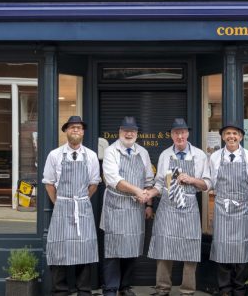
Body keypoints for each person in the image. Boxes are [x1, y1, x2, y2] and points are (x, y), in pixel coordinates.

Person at [146, 118, 210, 296]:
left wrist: (191, 179)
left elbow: (206, 184)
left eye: (182, 132)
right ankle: (162, 289)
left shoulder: (199, 155)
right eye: (176, 133)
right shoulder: (165, 155)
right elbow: (159, 183)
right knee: (164, 246)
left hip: (189, 206)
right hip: (167, 205)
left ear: (188, 134)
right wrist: (149, 195)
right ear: (171, 135)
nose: (180, 136)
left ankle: (187, 290)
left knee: (190, 249)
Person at [42, 116, 101, 296]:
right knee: (59, 248)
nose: (75, 130)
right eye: (72, 127)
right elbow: (49, 183)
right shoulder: (55, 155)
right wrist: (59, 202)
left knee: (84, 248)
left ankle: (84, 290)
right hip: (62, 205)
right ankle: (60, 290)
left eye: (79, 127)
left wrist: (81, 199)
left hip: (82, 206)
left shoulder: (90, 156)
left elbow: (94, 183)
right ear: (66, 131)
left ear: (83, 132)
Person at [209, 123, 248, 296]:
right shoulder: (215, 157)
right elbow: (212, 183)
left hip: (242, 208)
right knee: (222, 248)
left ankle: (240, 289)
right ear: (223, 137)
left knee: (242, 250)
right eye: (227, 133)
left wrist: (246, 205)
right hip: (221, 207)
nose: (231, 136)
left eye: (234, 133)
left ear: (241, 137)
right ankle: (225, 289)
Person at [101, 116, 153, 296]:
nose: (129, 134)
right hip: (116, 205)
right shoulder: (111, 151)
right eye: (126, 130)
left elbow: (148, 180)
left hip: (137, 207)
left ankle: (125, 286)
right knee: (113, 250)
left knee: (132, 248)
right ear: (120, 132)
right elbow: (113, 179)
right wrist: (138, 191)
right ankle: (110, 288)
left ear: (137, 133)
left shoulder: (143, 152)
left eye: (133, 131)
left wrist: (149, 205)